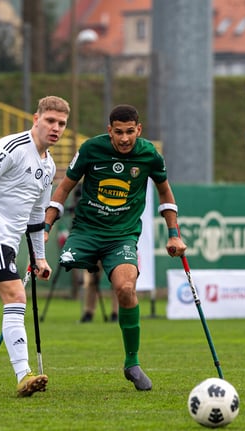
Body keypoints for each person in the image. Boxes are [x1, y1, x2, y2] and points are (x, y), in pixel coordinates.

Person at [44, 104, 186, 391]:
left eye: (129, 132)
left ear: (139, 130)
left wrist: (174, 234)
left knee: (124, 288)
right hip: (86, 232)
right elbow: (64, 188)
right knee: (62, 267)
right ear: (109, 130)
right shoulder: (90, 149)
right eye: (118, 132)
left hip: (122, 236)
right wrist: (45, 228)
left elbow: (165, 192)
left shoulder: (149, 155)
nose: (124, 139)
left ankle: (132, 362)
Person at [0, 95, 70, 397]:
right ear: (36, 119)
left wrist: (39, 257)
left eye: (61, 124)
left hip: (9, 239)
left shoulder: (49, 166)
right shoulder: (12, 147)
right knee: (15, 295)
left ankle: (24, 375)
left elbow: (37, 214)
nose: (55, 128)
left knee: (14, 299)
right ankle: (24, 375)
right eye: (50, 121)